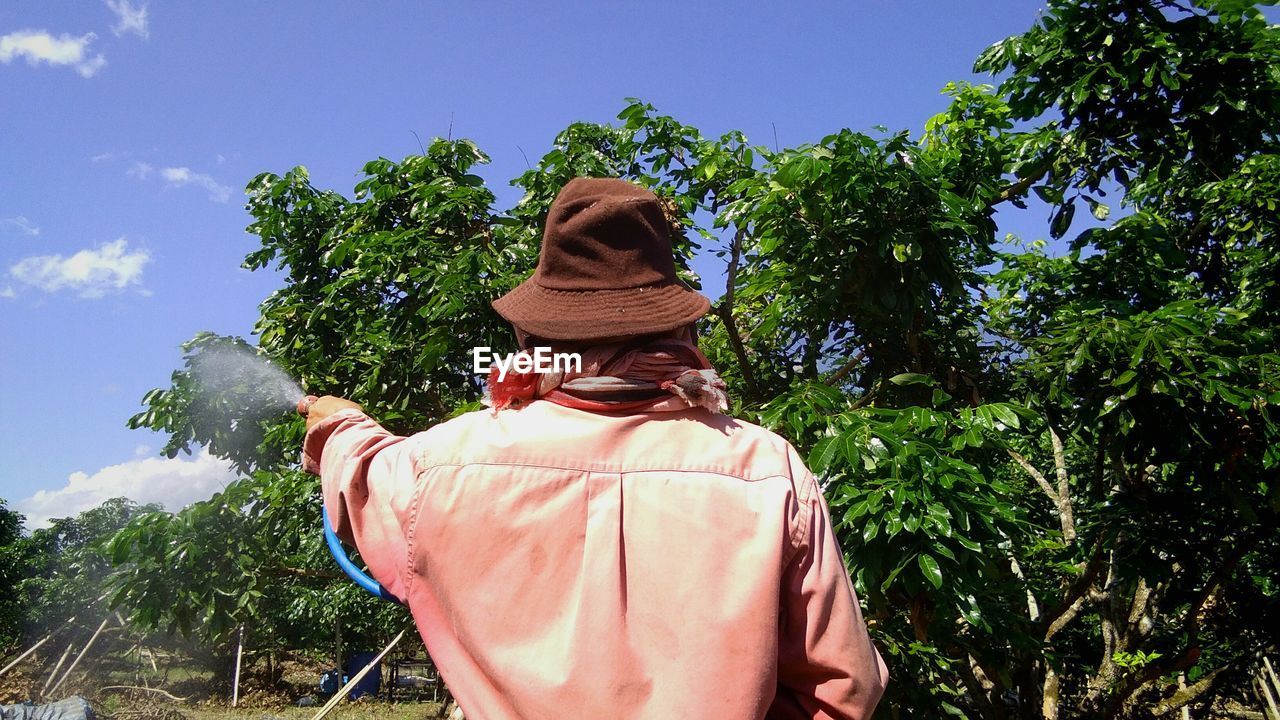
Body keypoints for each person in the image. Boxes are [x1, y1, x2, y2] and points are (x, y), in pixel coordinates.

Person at [302, 177, 888, 719]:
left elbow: (362, 471)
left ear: (535, 333)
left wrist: (337, 423)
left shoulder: (438, 464)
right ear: (678, 331)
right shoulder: (766, 468)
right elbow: (841, 689)